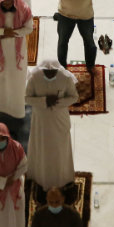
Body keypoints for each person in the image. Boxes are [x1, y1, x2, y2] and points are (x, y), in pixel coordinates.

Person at [25, 60, 79, 192]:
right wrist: (44, 101)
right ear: (42, 70)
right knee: (42, 149)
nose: (49, 74)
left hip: (59, 121)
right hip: (41, 122)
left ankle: (62, 179)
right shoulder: (34, 78)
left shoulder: (65, 78)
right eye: (47, 72)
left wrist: (57, 102)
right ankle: (41, 179)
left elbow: (74, 97)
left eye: (52, 72)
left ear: (57, 70)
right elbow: (27, 98)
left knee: (60, 150)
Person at [0, 0, 34, 123]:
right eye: (4, 4)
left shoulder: (23, 8)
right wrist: (2, 31)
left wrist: (13, 33)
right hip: (0, 49)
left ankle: (16, 109)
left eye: (9, 3)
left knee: (16, 78)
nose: (7, 6)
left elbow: (29, 27)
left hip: (17, 51)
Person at [53, 0, 99, 70]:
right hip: (65, 14)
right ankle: (62, 67)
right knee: (62, 42)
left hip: (85, 15)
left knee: (89, 42)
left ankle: (90, 65)